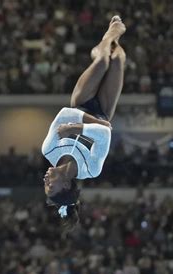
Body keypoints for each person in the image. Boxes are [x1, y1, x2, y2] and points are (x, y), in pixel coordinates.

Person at [41, 16, 126, 231]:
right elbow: (105, 136)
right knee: (118, 58)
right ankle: (105, 44)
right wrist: (77, 127)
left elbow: (64, 113)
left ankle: (112, 32)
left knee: (102, 62)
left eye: (45, 185)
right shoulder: (91, 168)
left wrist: (83, 125)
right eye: (51, 186)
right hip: (103, 111)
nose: (45, 180)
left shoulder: (49, 150)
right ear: (67, 184)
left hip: (81, 101)